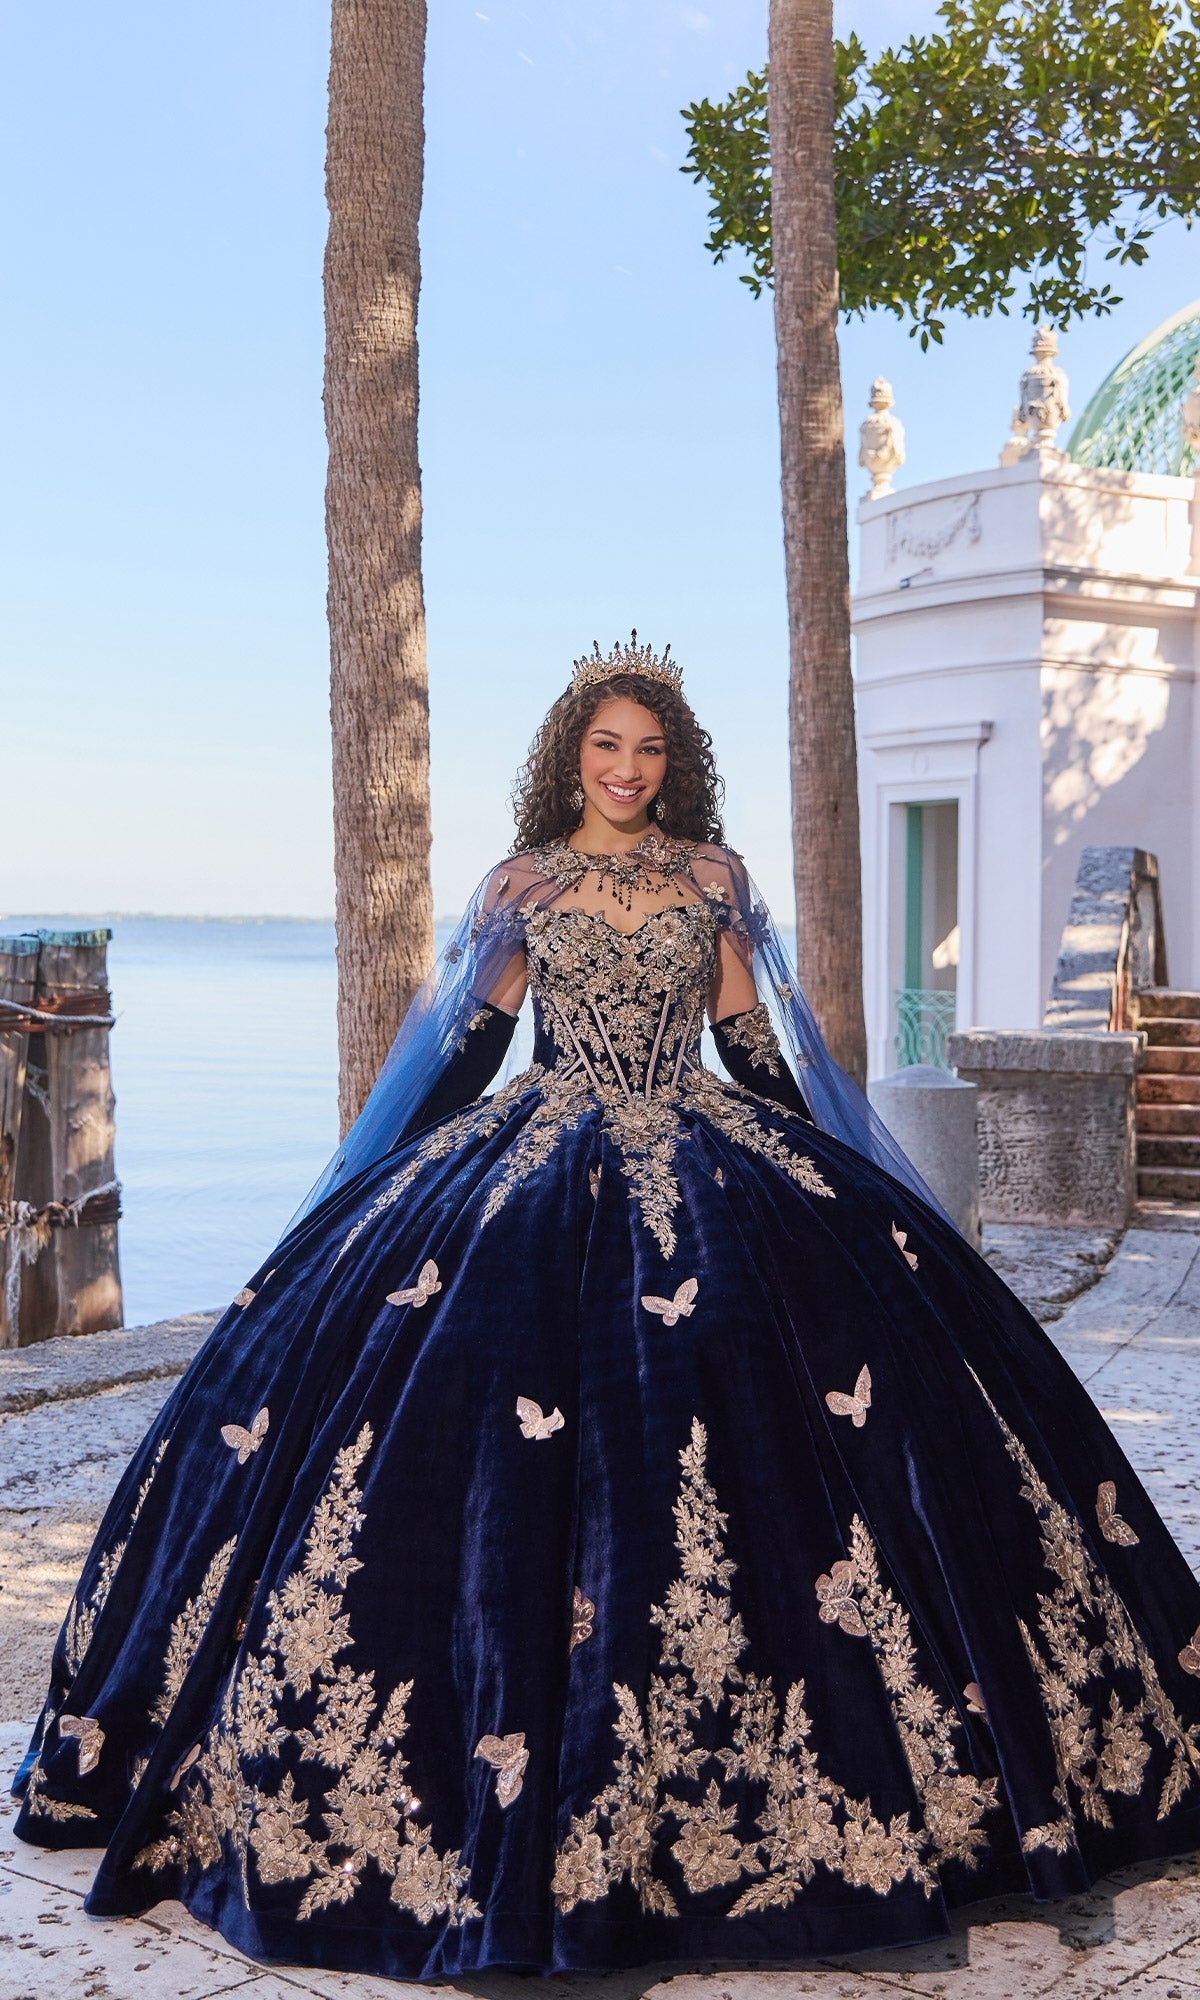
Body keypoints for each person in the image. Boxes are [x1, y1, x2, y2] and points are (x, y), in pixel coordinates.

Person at [12, 637, 1200, 1983]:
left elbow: (757, 1048)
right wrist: (380, 1179)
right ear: (569, 757)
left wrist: (859, 1187)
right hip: (536, 1162)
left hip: (709, 1152)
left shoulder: (715, 882)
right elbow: (467, 1050)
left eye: (649, 750)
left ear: (674, 762)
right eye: (605, 748)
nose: (627, 771)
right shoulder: (519, 887)